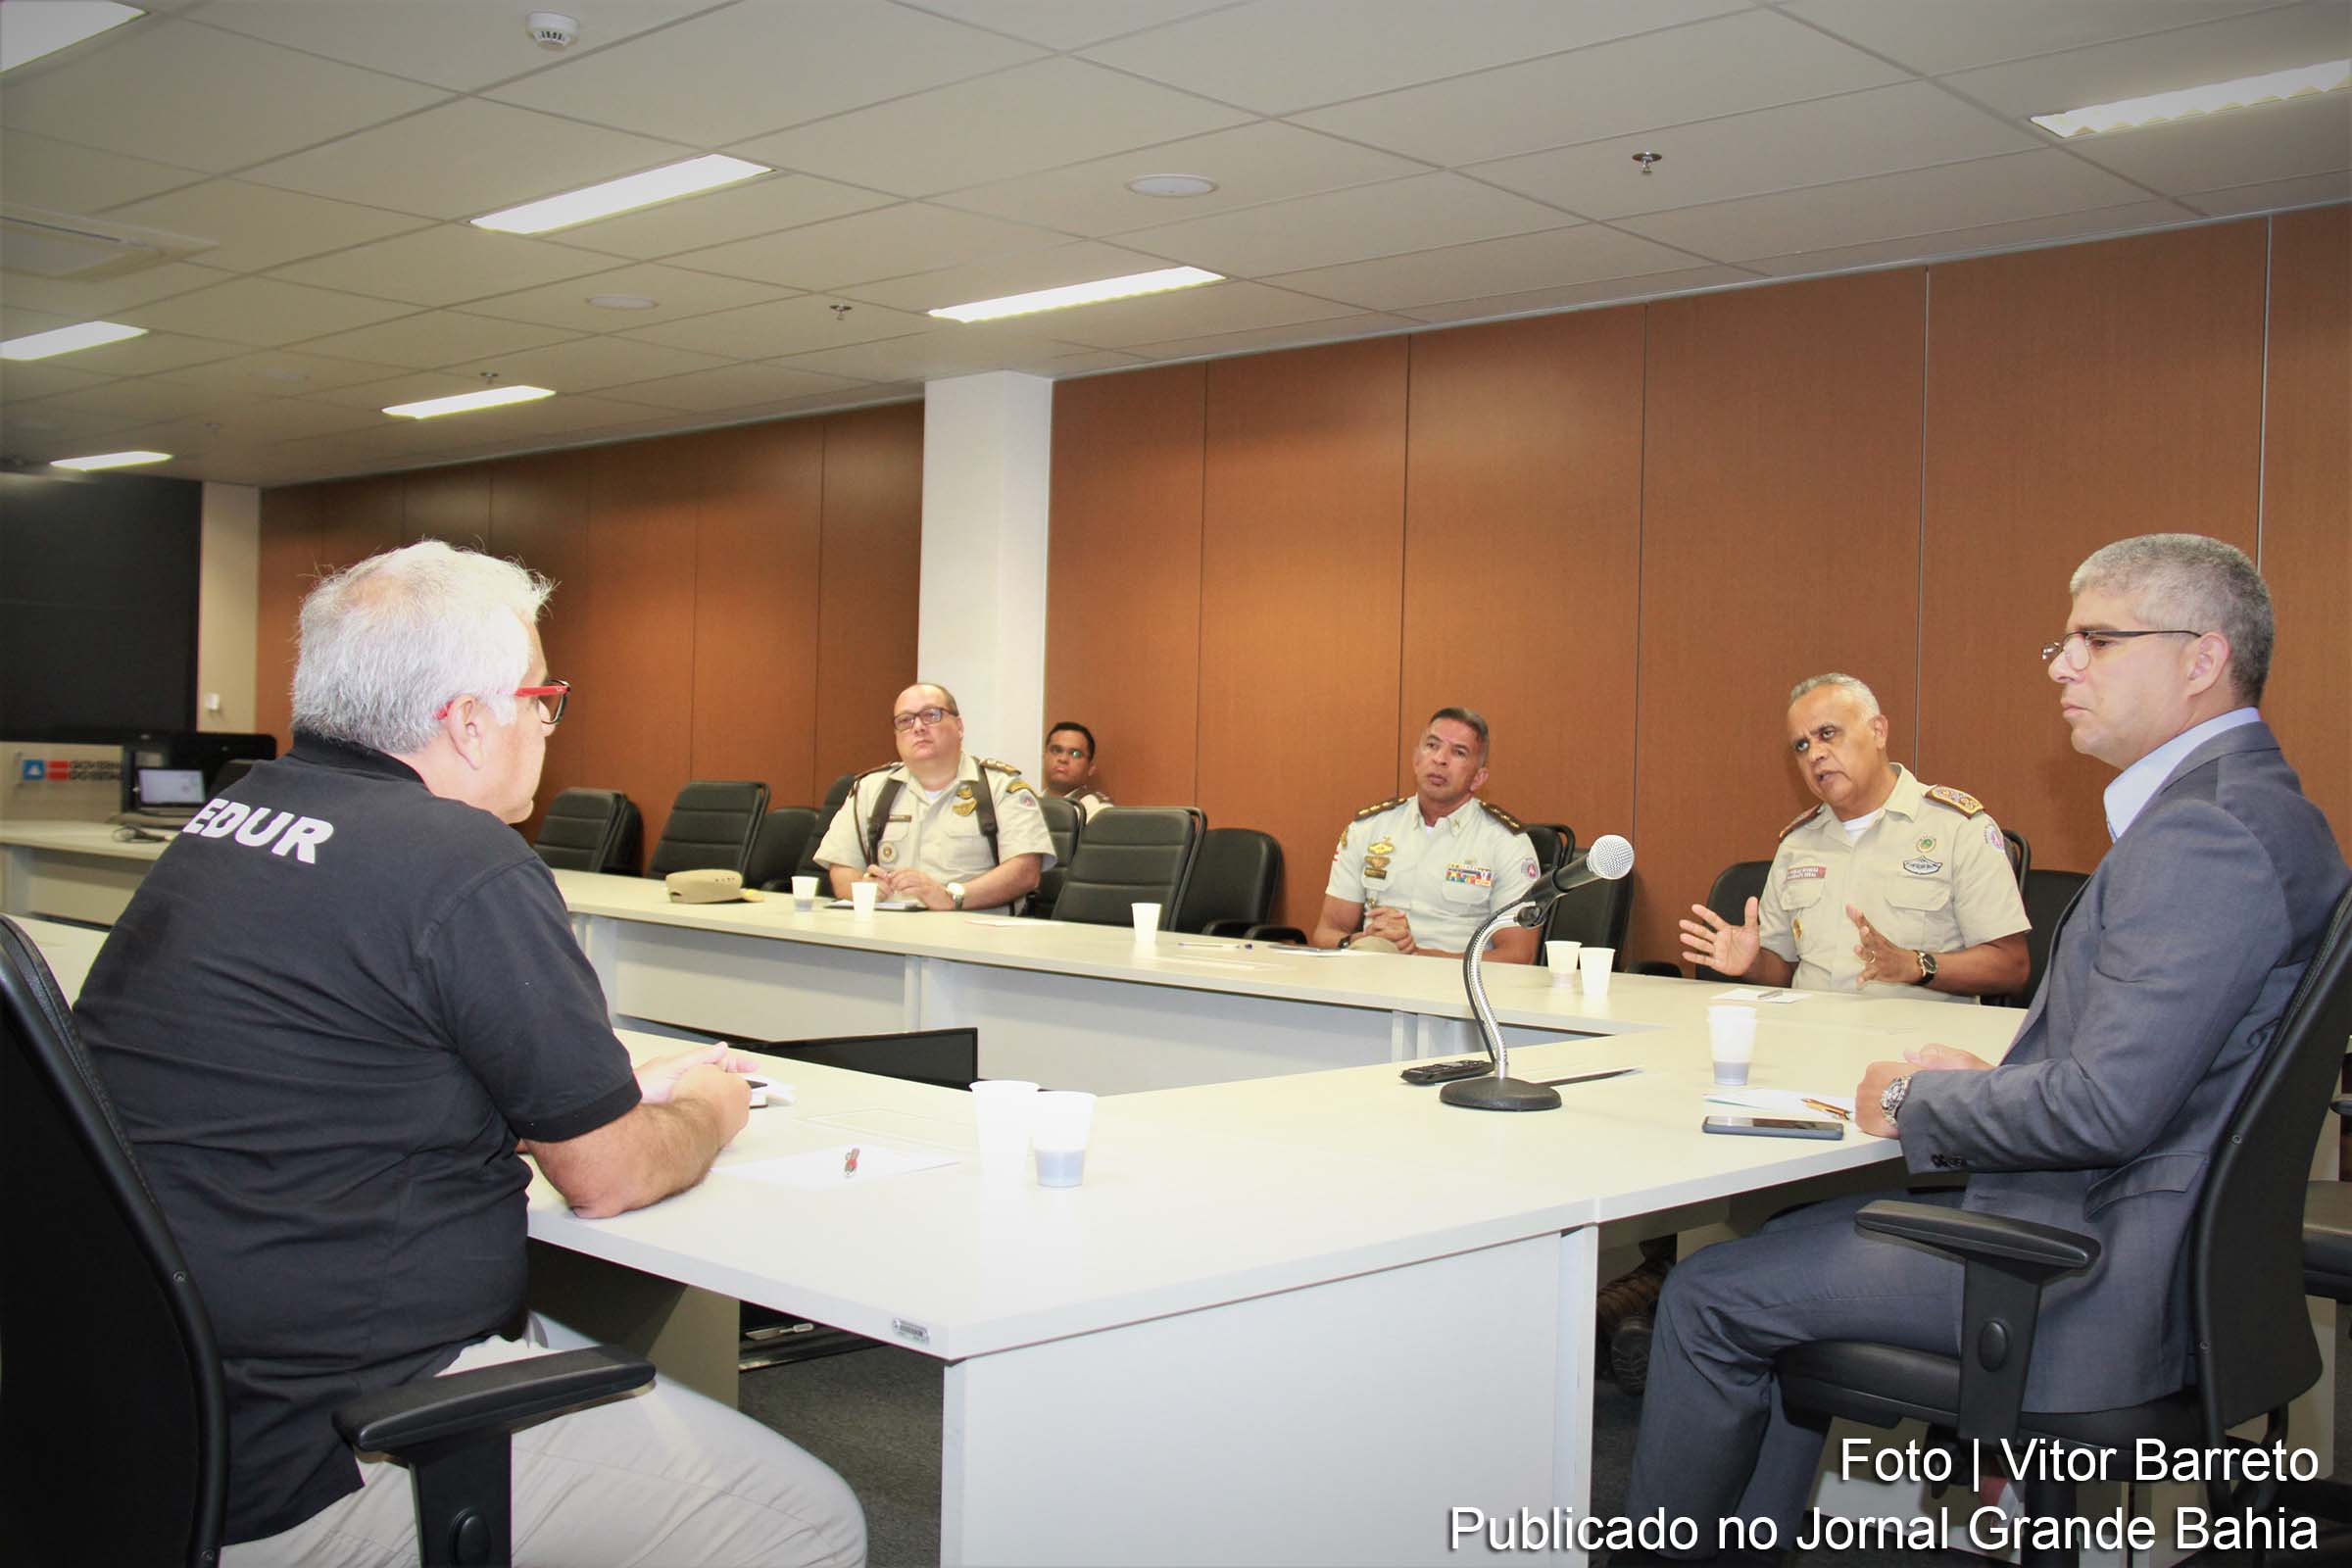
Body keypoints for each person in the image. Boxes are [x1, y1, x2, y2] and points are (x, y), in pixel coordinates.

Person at [73, 541, 864, 1565]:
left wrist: (604, 1081)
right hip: (336, 1437)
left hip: (150, 1410)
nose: (547, 720)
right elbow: (609, 1175)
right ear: (470, 719)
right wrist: (714, 1102)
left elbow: (343, 1041)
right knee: (813, 1521)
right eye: (542, 695)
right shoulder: (462, 861)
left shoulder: (232, 815)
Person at [1624, 533, 2348, 1554]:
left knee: (1708, 1294)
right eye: (2062, 643)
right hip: (2148, 1239)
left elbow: (2108, 1107)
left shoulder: (2205, 835)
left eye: (2095, 639)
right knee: (1791, 1244)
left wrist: (1925, 1102)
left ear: (2201, 657)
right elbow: (2162, 1065)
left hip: (2092, 1273)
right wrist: (1993, 1077)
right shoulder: (2259, 809)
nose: (2060, 666)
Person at [1679, 673, 2030, 1002]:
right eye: (1801, 746)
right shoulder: (1797, 844)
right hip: (1809, 1040)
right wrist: (1752, 963)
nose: (1814, 754)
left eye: (1828, 734)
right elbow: (1783, 970)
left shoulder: (1957, 829)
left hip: (1915, 1050)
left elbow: (2011, 966)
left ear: (1878, 731)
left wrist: (1916, 965)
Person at [1313, 707, 1542, 962]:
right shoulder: (1368, 829)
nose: (1440, 759)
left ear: (1478, 778)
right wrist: (1358, 941)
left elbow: (1518, 955)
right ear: (1416, 760)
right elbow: (1326, 932)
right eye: (1432, 746)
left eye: (1458, 752)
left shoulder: (1506, 843)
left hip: (1456, 989)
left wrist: (1415, 956)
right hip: (1371, 972)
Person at [810, 682, 1054, 913]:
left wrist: (951, 897)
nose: (918, 727)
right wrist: (863, 889)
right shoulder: (869, 789)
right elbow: (841, 866)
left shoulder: (1002, 788)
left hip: (975, 936)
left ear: (959, 726)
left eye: (931, 715)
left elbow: (1025, 871)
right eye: (905, 720)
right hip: (887, 933)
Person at [1041, 720, 1114, 818]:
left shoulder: (1098, 811)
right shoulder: (1026, 804)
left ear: (1090, 768)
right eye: (1056, 750)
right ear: (1044, 757)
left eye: (1075, 754)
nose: (1063, 759)